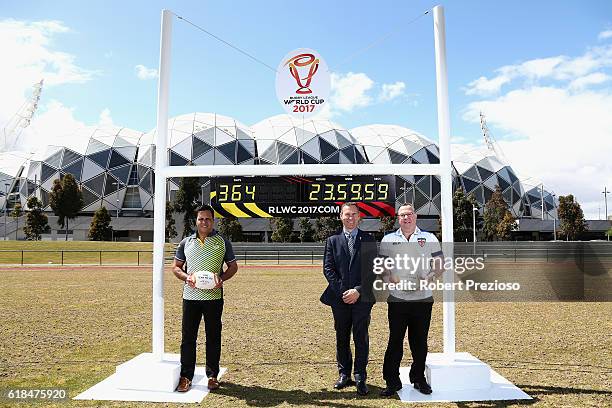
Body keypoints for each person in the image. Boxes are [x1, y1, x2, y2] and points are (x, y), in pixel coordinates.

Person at [172, 204, 238, 393]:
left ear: (213, 220)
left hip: (214, 298)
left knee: (213, 337)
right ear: (196, 221)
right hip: (190, 297)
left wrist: (221, 279)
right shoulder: (186, 242)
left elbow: (233, 267)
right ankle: (186, 377)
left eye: (208, 219)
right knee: (188, 338)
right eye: (201, 219)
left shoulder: (222, 242)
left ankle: (212, 376)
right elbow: (176, 267)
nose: (204, 222)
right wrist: (187, 277)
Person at [379, 203, 443, 397]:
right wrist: (389, 278)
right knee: (395, 341)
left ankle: (418, 379)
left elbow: (440, 265)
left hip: (422, 300)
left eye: (409, 214)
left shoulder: (429, 238)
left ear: (415, 216)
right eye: (402, 215)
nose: (406, 218)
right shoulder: (388, 239)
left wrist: (430, 276)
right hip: (397, 299)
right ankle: (392, 382)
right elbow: (382, 267)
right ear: (398, 218)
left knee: (419, 342)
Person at [320, 202, 377, 396]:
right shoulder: (332, 240)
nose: (350, 217)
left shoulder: (369, 239)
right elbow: (328, 269)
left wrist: (358, 291)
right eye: (346, 214)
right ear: (340, 216)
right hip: (339, 299)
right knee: (342, 337)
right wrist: (344, 292)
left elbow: (373, 270)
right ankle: (344, 375)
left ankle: (360, 376)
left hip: (363, 298)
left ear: (359, 216)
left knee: (361, 338)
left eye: (354, 214)